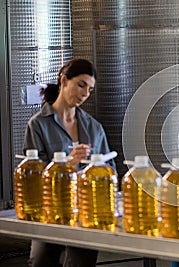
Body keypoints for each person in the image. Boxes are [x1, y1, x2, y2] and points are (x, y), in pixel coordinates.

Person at [23, 58, 115, 267]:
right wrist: (68, 163)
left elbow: (110, 171)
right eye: (81, 85)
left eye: (90, 89)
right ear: (64, 81)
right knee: (40, 261)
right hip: (49, 210)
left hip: (85, 211)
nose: (85, 94)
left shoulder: (94, 127)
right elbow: (31, 176)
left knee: (80, 262)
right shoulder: (38, 125)